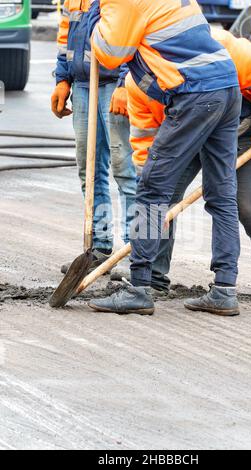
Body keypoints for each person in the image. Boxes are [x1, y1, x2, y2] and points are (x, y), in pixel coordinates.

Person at [88, 0, 242, 316]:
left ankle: (140, 288)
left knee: (150, 190)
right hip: (225, 87)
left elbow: (110, 52)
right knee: (222, 194)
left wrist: (95, 14)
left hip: (195, 94)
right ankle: (225, 290)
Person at [122, 28, 251, 306]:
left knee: (249, 207)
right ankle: (153, 279)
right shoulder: (139, 84)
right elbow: (145, 139)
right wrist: (150, 180)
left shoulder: (220, 46)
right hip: (183, 134)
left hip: (233, 131)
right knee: (161, 203)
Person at [51, 0, 136, 279]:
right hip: (83, 85)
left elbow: (135, 35)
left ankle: (137, 253)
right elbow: (65, 40)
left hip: (114, 85)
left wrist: (126, 83)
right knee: (88, 171)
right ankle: (98, 246)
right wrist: (62, 80)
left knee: (125, 170)